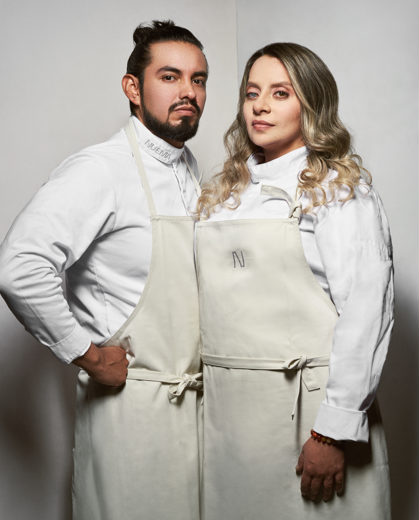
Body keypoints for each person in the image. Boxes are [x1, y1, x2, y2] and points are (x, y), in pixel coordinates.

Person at [0, 20, 207, 520]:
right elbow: (19, 266)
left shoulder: (190, 168)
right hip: (130, 411)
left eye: (198, 79)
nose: (188, 92)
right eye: (170, 77)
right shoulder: (100, 169)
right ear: (133, 88)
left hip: (199, 411)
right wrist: (88, 355)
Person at [196, 43, 393, 519]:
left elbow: (366, 313)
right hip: (230, 421)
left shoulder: (338, 192)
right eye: (252, 93)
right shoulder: (224, 195)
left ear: (311, 104)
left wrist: (331, 432)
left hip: (308, 416)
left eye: (280, 93)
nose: (260, 106)